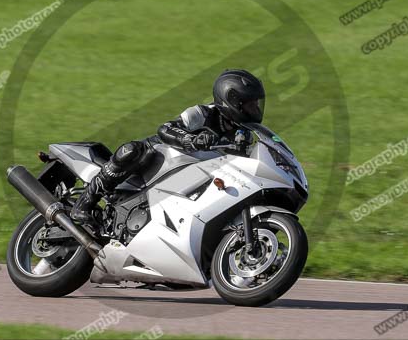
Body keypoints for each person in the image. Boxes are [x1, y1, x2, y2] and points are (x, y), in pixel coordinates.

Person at [71, 69, 265, 231]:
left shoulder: (243, 134)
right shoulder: (203, 113)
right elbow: (165, 128)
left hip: (194, 179)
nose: (256, 109)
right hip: (161, 158)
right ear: (231, 100)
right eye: (250, 105)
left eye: (257, 104)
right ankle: (84, 203)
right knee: (132, 150)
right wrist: (191, 139)